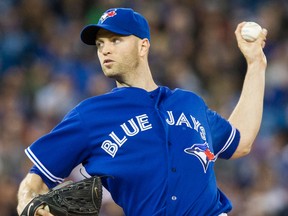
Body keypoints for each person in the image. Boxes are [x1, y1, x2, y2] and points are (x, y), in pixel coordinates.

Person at [17, 7, 267, 216]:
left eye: (116, 40)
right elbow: (35, 180)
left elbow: (241, 141)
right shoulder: (90, 115)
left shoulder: (188, 103)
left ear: (143, 46)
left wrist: (256, 63)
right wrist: (28, 202)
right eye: (100, 43)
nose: (105, 49)